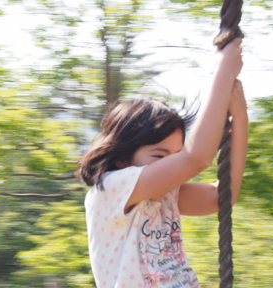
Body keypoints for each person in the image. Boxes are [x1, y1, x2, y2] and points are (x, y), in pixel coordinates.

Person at [77, 37, 247, 288]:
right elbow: (196, 157)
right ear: (123, 158)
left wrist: (240, 116)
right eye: (160, 156)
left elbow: (221, 196)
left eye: (176, 155)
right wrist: (222, 73)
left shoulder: (167, 195)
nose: (174, 167)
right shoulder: (111, 189)